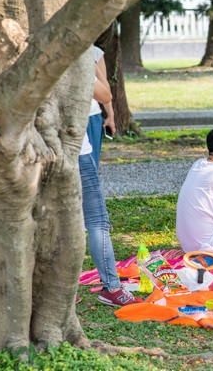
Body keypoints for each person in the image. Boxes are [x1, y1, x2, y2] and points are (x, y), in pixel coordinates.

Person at [81, 73, 140, 307]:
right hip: (76, 150)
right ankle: (112, 287)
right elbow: (105, 93)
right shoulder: (74, 56)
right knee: (97, 220)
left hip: (39, 148)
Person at [87, 45, 116, 167]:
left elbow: (104, 88)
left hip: (92, 115)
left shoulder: (95, 52)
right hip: (88, 115)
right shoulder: (92, 53)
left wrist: (110, 115)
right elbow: (105, 89)